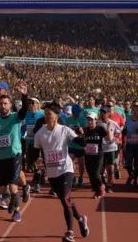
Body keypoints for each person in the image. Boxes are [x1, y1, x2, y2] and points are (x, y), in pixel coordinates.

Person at [33, 102, 89, 242]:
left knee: (64, 199)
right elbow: (36, 151)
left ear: (56, 116)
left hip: (66, 170)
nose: (46, 116)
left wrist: (83, 135)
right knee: (66, 200)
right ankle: (81, 218)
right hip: (52, 173)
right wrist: (38, 161)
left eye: (49, 113)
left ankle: (69, 232)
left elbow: (81, 143)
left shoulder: (64, 130)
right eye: (45, 113)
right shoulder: (40, 133)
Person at [0, 82, 31, 222]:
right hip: (1, 158)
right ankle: (13, 200)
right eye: (1, 104)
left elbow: (24, 110)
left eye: (5, 104)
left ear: (10, 104)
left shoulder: (15, 117)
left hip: (14, 155)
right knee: (1, 190)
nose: (3, 106)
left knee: (13, 187)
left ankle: (17, 212)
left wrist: (24, 95)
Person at [82, 112, 114, 198]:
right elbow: (80, 140)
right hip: (88, 155)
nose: (89, 122)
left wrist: (108, 128)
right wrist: (81, 135)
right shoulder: (85, 130)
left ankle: (101, 186)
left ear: (96, 120)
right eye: (88, 120)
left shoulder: (100, 129)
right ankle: (97, 191)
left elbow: (109, 139)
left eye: (91, 120)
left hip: (98, 155)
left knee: (96, 174)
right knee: (90, 175)